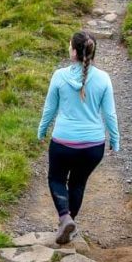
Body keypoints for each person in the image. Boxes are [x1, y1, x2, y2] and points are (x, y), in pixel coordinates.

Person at [37, 31, 119, 244]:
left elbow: (49, 109)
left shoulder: (59, 76)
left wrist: (42, 130)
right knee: (78, 183)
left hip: (63, 143)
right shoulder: (103, 78)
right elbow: (110, 114)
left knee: (55, 179)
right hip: (93, 146)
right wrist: (115, 140)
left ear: (74, 52)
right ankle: (69, 222)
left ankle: (65, 217)